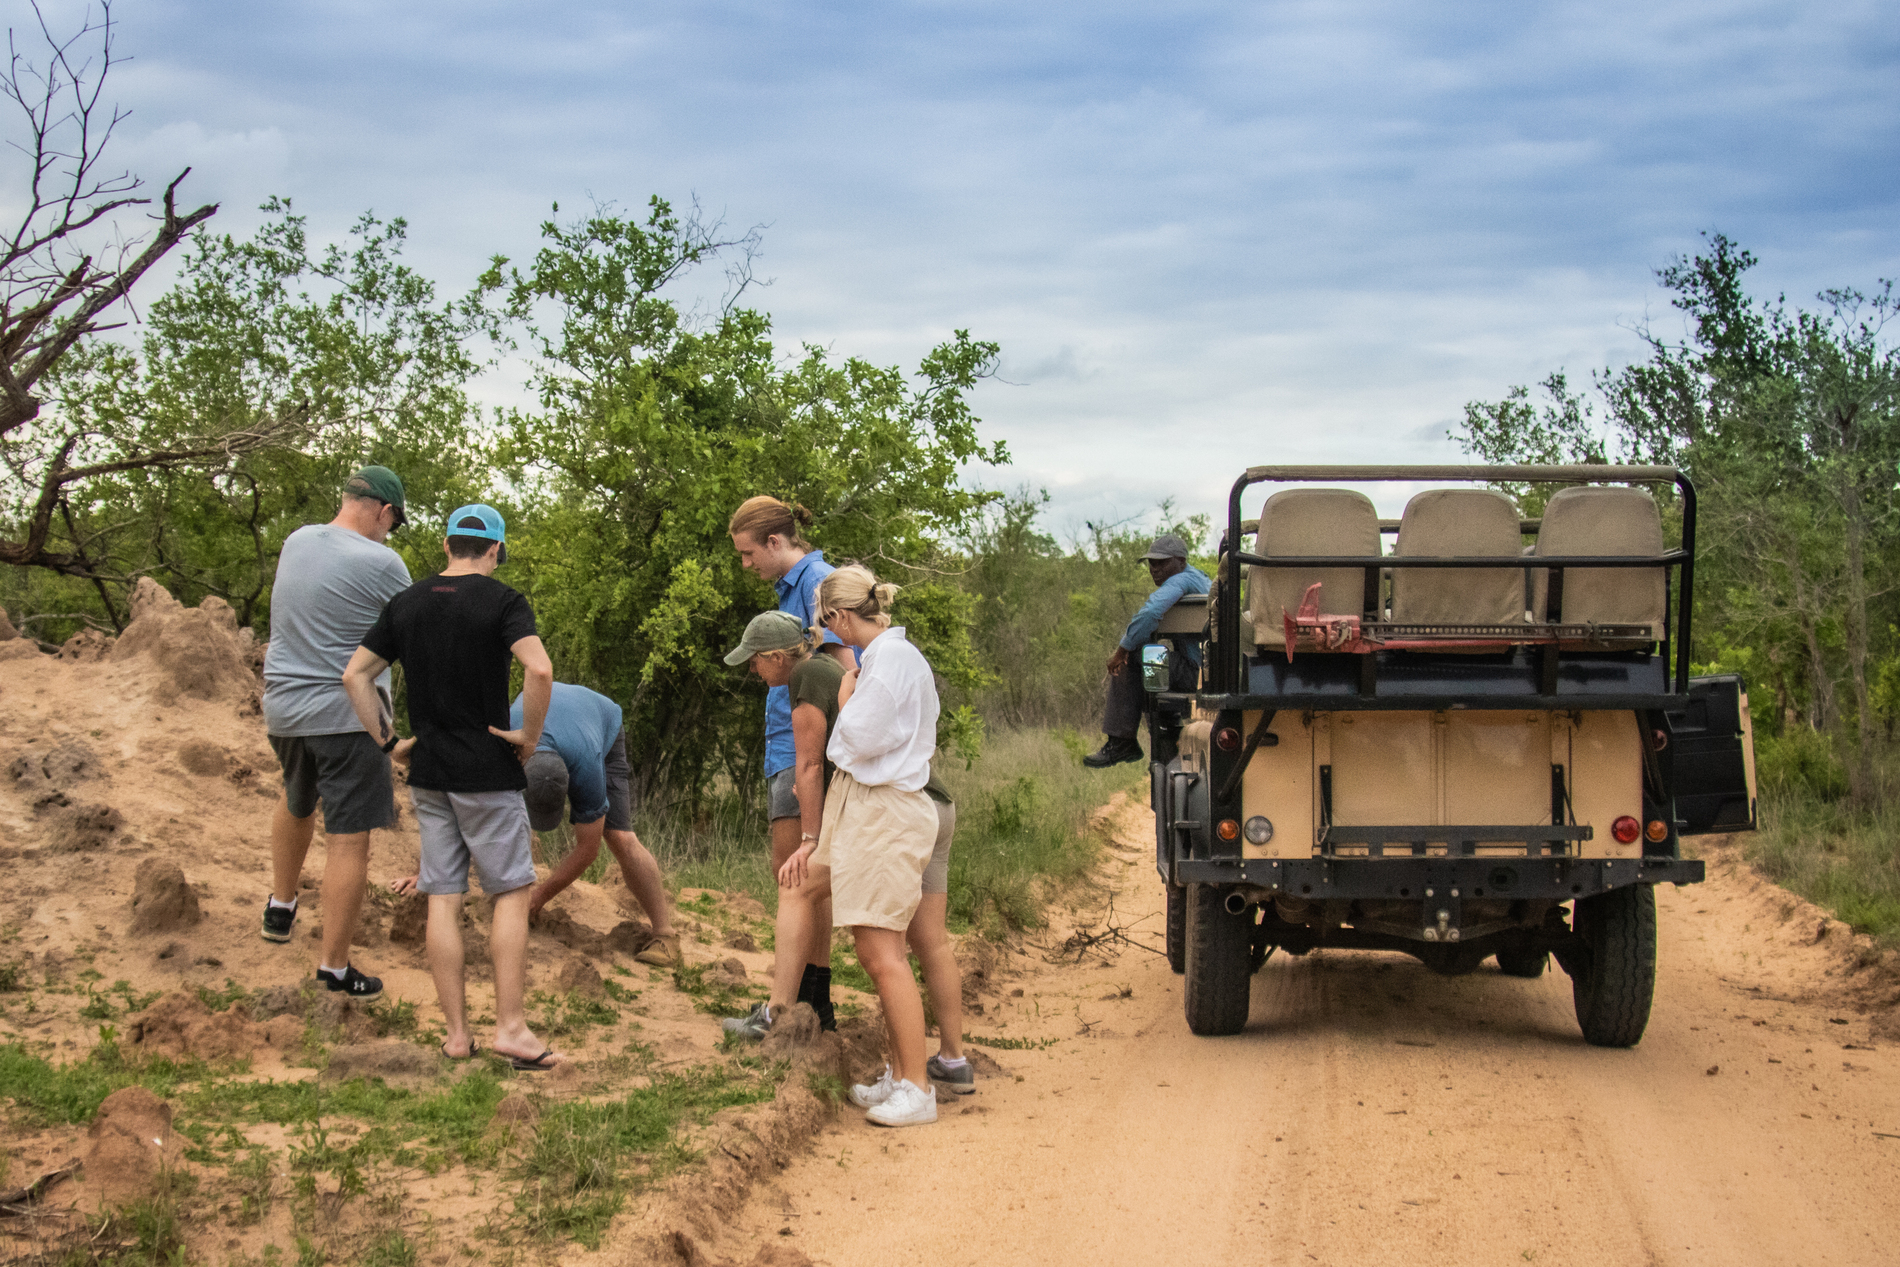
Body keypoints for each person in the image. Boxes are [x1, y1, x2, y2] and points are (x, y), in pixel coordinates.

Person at [718, 611, 975, 1098]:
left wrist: (811, 839)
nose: (754, 673)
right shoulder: (836, 669)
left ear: (776, 657)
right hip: (934, 804)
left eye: (754, 663)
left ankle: (776, 1013)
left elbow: (810, 767)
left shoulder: (807, 675)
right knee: (930, 940)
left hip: (892, 811)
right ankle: (952, 1061)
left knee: (798, 886)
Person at [342, 504, 559, 1070]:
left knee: (444, 894)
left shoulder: (407, 602)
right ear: (494, 550)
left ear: (446, 545)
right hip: (488, 770)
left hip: (431, 773)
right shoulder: (504, 601)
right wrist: (529, 737)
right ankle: (511, 1028)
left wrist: (390, 742)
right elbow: (539, 670)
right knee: (510, 891)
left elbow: (354, 674)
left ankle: (458, 1035)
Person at [258, 465, 413, 1001]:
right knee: (350, 842)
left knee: (296, 800)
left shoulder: (297, 540)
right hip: (348, 719)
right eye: (392, 524)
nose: (388, 533)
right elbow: (418, 630)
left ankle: (281, 906)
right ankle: (334, 968)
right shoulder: (384, 562)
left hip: (283, 709)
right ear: (384, 511)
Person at [814, 565, 943, 1126]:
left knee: (882, 953)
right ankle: (900, 1072)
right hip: (877, 808)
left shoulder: (886, 662)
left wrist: (844, 695)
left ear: (839, 616)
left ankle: (918, 1087)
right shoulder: (890, 658)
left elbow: (859, 739)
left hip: (885, 810)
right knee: (878, 951)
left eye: (824, 619)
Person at [728, 497, 854, 1027]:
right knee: (805, 880)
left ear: (776, 543)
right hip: (792, 745)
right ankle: (812, 1001)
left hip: (803, 751)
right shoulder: (798, 587)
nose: (746, 565)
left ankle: (790, 1006)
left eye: (748, 553)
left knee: (794, 878)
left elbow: (851, 666)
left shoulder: (819, 584)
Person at [515, 682, 679, 967]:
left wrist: (538, 897)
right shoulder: (507, 741)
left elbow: (588, 849)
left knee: (618, 835)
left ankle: (666, 937)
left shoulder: (586, 765)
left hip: (600, 721)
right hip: (551, 715)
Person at [1082, 533, 1210, 768]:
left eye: (1162, 562)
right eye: (1152, 563)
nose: (1154, 569)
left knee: (1137, 655)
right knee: (1151, 670)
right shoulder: (1201, 578)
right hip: (1212, 672)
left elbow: (1150, 614)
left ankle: (1123, 741)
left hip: (1198, 673)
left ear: (1180, 561)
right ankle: (1164, 733)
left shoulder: (1180, 581)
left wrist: (1121, 652)